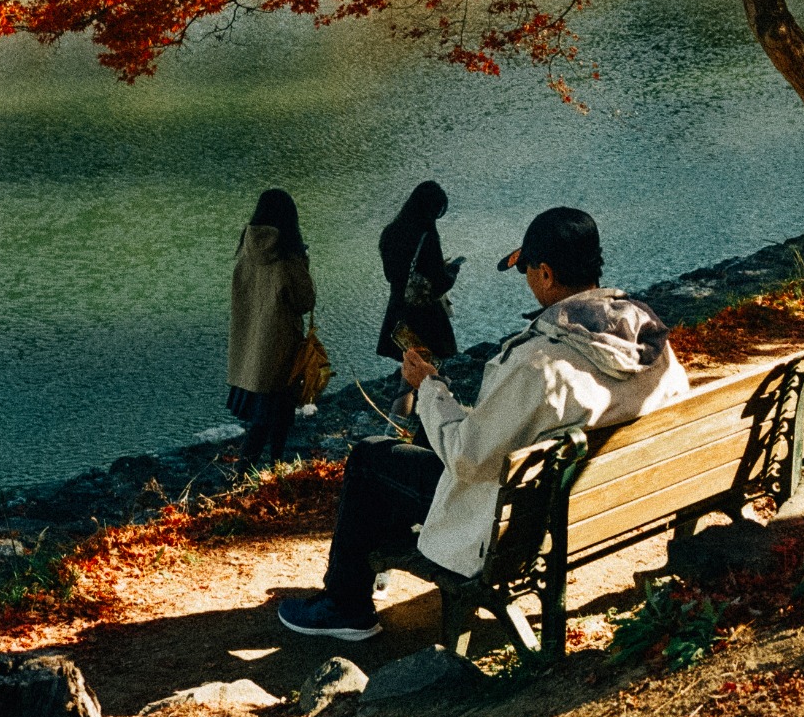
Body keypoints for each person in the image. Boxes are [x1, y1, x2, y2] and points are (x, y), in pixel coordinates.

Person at [277, 205, 689, 641]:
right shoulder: (646, 336)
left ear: (546, 274)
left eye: (527, 269)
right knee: (428, 436)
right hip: (610, 499)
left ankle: (346, 605)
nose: (528, 279)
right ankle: (372, 561)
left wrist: (429, 388)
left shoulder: (539, 363)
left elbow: (467, 460)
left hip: (514, 530)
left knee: (370, 458)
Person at [226, 187, 317, 469]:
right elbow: (305, 301)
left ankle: (253, 473)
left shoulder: (246, 248)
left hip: (249, 348)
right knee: (274, 416)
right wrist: (304, 262)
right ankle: (257, 471)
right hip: (279, 347)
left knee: (261, 417)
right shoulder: (287, 257)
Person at [375, 180, 460, 366]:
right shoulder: (427, 237)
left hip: (397, 311)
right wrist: (452, 271)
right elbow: (439, 284)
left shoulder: (390, 232)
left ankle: (405, 391)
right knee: (431, 367)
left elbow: (391, 275)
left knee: (408, 365)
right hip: (425, 317)